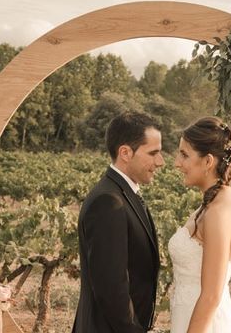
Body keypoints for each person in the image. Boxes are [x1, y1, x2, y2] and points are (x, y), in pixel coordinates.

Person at [72, 111, 164, 333]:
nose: (160, 162)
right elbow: (112, 289)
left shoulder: (121, 193)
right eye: (153, 153)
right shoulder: (108, 202)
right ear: (125, 152)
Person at [168, 116, 231, 333]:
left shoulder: (219, 213)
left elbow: (212, 295)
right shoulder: (214, 203)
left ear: (208, 161)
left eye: (185, 155)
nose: (177, 163)